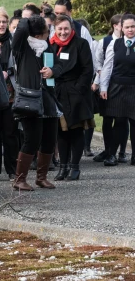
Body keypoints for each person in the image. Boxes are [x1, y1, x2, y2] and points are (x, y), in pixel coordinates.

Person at [10, 16, 60, 191]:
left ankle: (42, 178)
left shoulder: (47, 48)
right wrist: (28, 19)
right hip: (29, 100)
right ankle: (19, 179)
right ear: (41, 33)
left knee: (49, 138)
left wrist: (52, 71)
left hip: (48, 99)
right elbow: (22, 30)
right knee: (32, 139)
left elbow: (59, 65)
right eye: (47, 30)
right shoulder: (21, 47)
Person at [49, 14, 94, 180]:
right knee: (61, 132)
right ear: (55, 29)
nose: (63, 32)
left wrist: (78, 89)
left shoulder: (81, 44)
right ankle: (63, 166)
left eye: (66, 28)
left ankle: (75, 167)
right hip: (58, 93)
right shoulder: (51, 45)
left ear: (71, 28)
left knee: (76, 131)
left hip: (77, 93)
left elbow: (88, 69)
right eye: (60, 29)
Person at [0, 7, 20, 181]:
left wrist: (9, 70)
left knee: (10, 133)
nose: (1, 25)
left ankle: (12, 169)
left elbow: (20, 61)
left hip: (10, 92)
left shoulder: (13, 40)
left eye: (4, 22)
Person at [100, 14, 135, 166]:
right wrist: (103, 87)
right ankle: (111, 155)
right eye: (127, 27)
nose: (130, 30)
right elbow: (107, 67)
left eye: (133, 26)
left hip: (134, 87)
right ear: (121, 28)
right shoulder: (115, 44)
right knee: (119, 121)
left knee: (134, 122)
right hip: (117, 87)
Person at [92, 15, 123, 161]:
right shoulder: (104, 42)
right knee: (107, 118)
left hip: (122, 84)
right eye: (122, 24)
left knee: (121, 118)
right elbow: (99, 63)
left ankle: (118, 151)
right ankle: (108, 149)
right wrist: (99, 80)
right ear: (115, 26)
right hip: (107, 84)